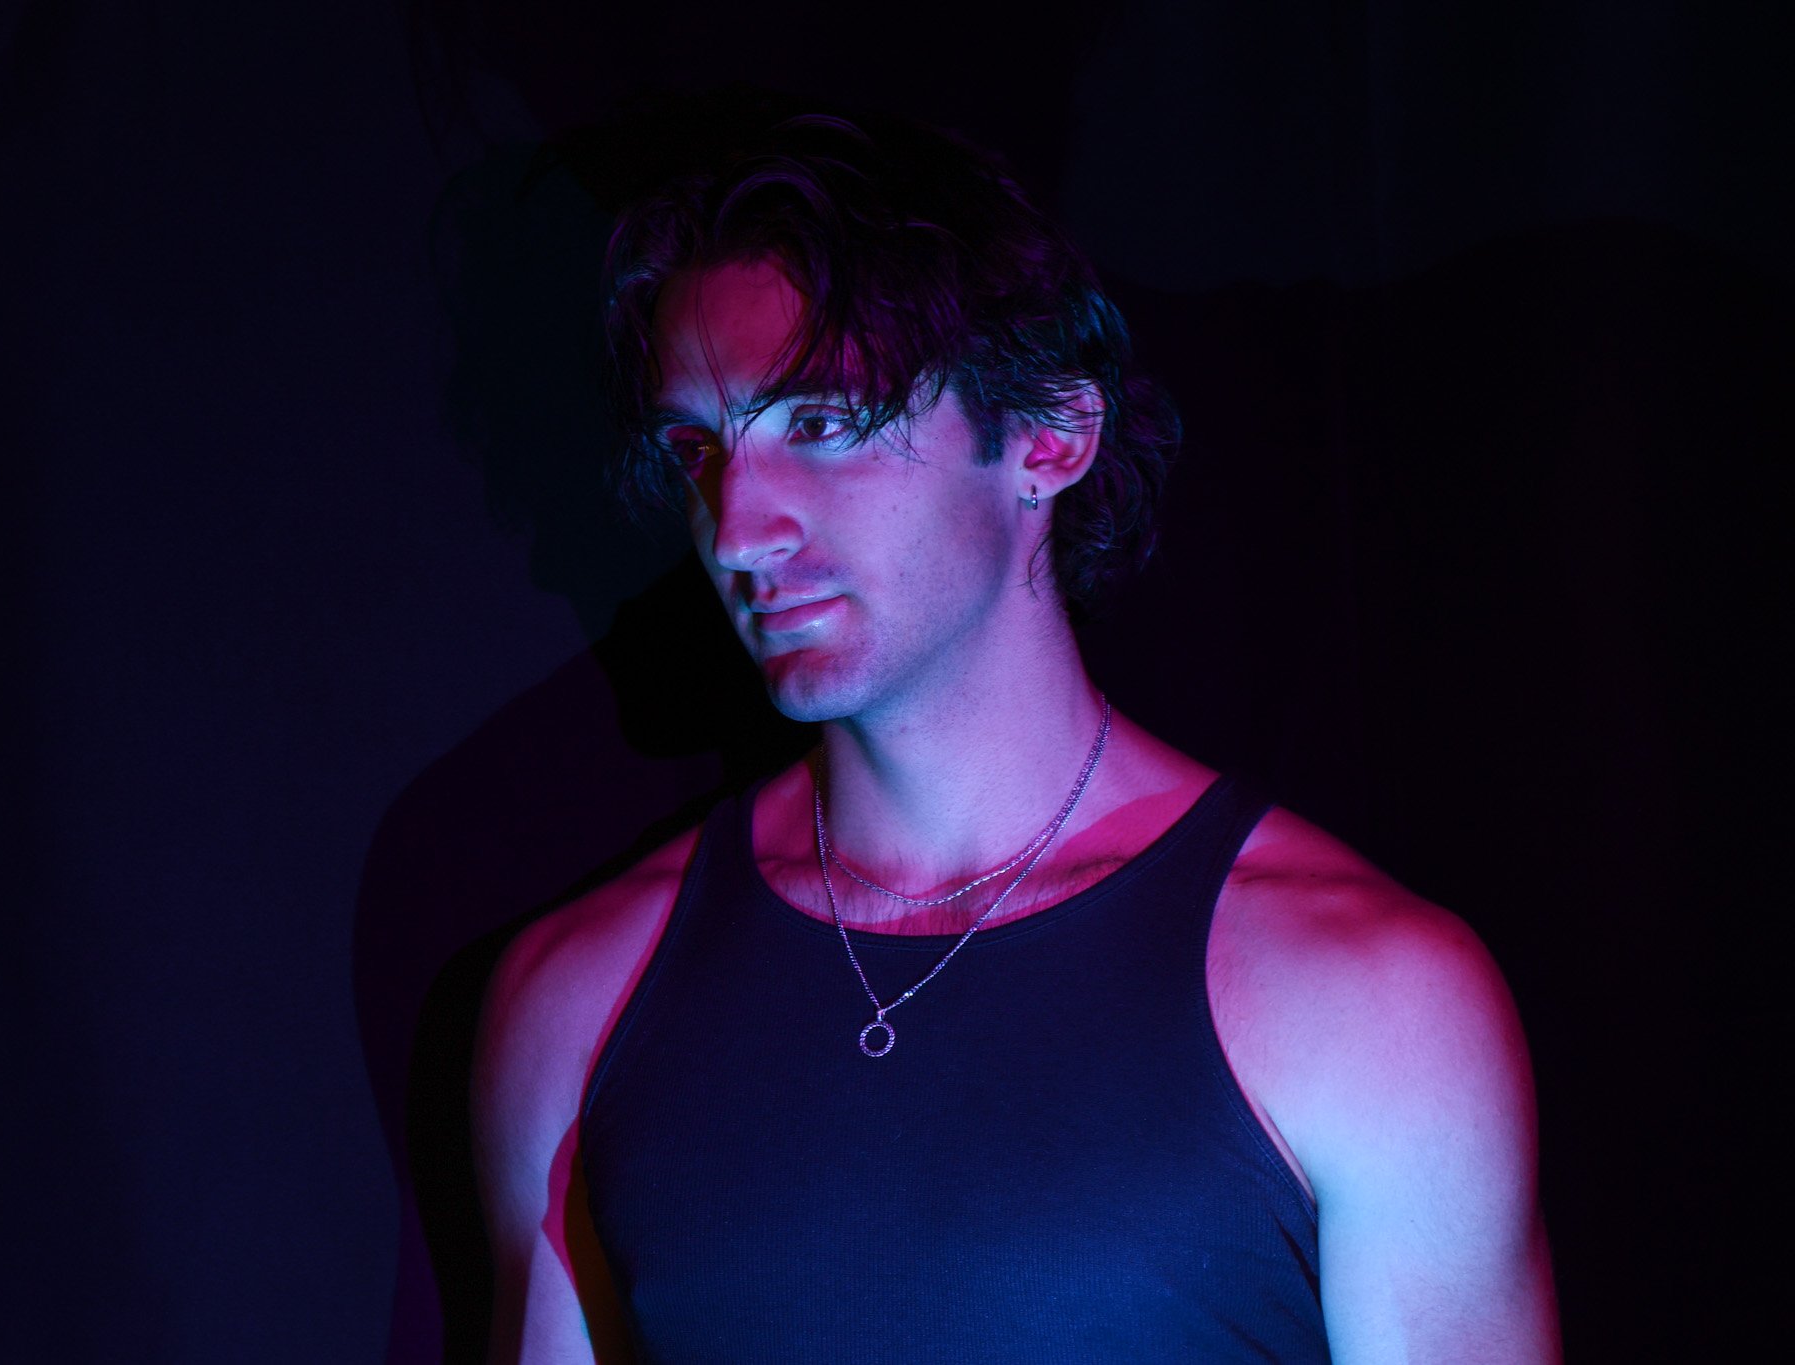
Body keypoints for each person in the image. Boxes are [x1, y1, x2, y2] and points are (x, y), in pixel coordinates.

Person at [471, 104, 1558, 1363]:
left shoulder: (1365, 996)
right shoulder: (577, 996)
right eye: (700, 449)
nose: (737, 528)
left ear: (1048, 437)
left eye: (821, 426)